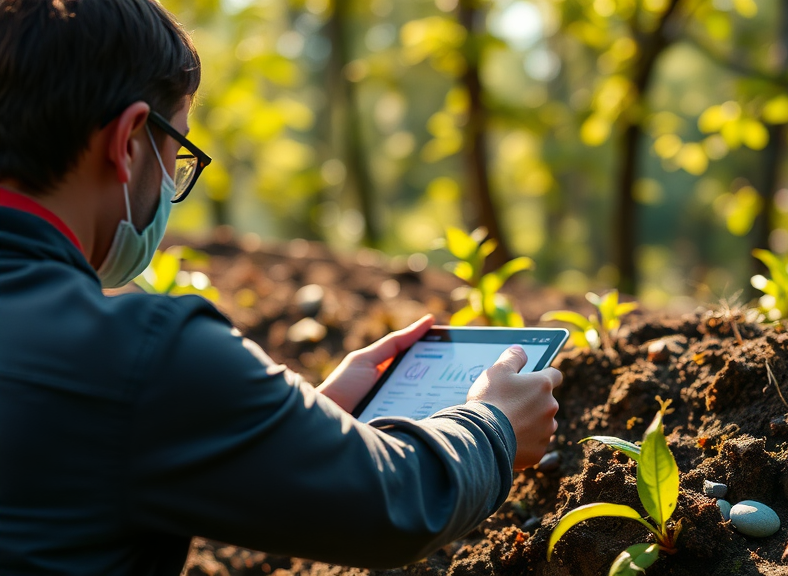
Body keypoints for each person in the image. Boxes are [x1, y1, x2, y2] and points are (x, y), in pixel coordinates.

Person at [0, 1, 561, 574]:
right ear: (129, 141)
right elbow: (390, 503)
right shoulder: (142, 355)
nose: (172, 180)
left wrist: (304, 420)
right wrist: (492, 427)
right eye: (177, 151)